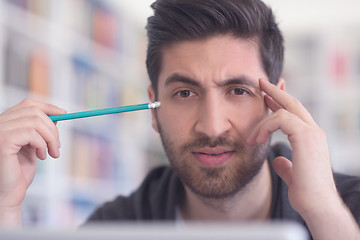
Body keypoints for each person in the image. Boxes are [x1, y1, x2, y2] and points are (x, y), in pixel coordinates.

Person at [0, 0, 359, 239]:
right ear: (153, 108)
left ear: (276, 102)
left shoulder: (348, 208)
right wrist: (5, 205)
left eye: (237, 91)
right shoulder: (116, 227)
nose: (212, 126)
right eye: (185, 93)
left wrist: (324, 213)